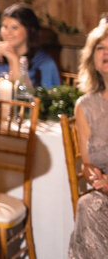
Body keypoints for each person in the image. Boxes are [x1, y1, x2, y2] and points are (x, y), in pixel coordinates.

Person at [68, 23, 108, 258]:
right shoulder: (85, 106)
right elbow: (87, 164)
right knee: (88, 204)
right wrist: (95, 176)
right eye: (100, 47)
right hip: (105, 194)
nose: (105, 53)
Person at [0, 3, 60, 89]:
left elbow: (24, 94)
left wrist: (14, 60)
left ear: (30, 30)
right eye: (5, 27)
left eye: (14, 27)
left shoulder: (45, 63)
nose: (8, 32)